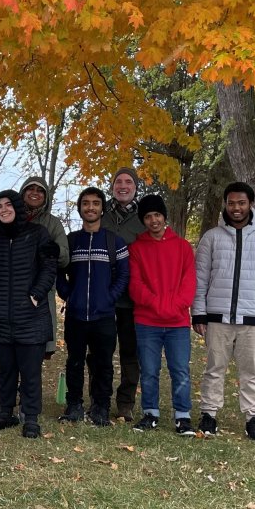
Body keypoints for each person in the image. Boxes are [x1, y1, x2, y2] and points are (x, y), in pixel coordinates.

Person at [192, 182, 255, 441]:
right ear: (225, 204)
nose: (236, 208)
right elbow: (199, 279)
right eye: (231, 203)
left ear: (251, 204)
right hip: (217, 317)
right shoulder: (211, 237)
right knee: (214, 368)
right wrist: (199, 313)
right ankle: (209, 414)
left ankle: (253, 418)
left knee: (251, 371)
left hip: (253, 320)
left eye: (241, 203)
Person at [0, 191, 59, 439]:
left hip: (31, 317)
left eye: (8, 205)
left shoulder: (38, 234)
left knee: (30, 371)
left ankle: (31, 416)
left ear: (17, 207)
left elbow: (49, 268)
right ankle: (5, 410)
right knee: (6, 369)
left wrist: (35, 295)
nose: (3, 209)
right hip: (1, 318)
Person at [56, 188, 130, 427]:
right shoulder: (71, 241)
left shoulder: (113, 241)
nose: (90, 208)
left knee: (103, 363)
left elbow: (123, 275)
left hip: (104, 315)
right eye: (85, 203)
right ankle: (74, 404)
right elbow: (58, 270)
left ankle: (101, 406)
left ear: (102, 208)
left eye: (95, 203)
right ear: (80, 208)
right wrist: (67, 294)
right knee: (74, 361)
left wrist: (110, 297)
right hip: (76, 314)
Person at [127, 195, 197, 435]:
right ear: (143, 220)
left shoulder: (183, 247)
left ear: (164, 217)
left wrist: (172, 307)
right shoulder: (136, 249)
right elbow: (136, 286)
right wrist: (159, 306)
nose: (153, 220)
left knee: (180, 370)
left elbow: (189, 285)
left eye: (157, 215)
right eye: (148, 216)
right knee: (149, 370)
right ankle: (150, 413)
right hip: (147, 322)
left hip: (177, 323)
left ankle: (183, 416)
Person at [100, 167, 147, 421]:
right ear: (112, 186)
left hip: (132, 299)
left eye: (128, 182)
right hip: (104, 297)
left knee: (131, 353)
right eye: (118, 181)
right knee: (100, 352)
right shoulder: (101, 214)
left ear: (135, 187)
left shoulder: (144, 218)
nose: (123, 186)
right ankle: (100, 398)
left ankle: (126, 403)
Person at [19, 177, 70, 358]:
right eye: (30, 189)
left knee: (36, 353)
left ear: (46, 196)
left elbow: (65, 257)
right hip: (13, 293)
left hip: (41, 294)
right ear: (23, 193)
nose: (34, 193)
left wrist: (55, 251)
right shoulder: (10, 217)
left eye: (40, 190)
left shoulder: (53, 223)